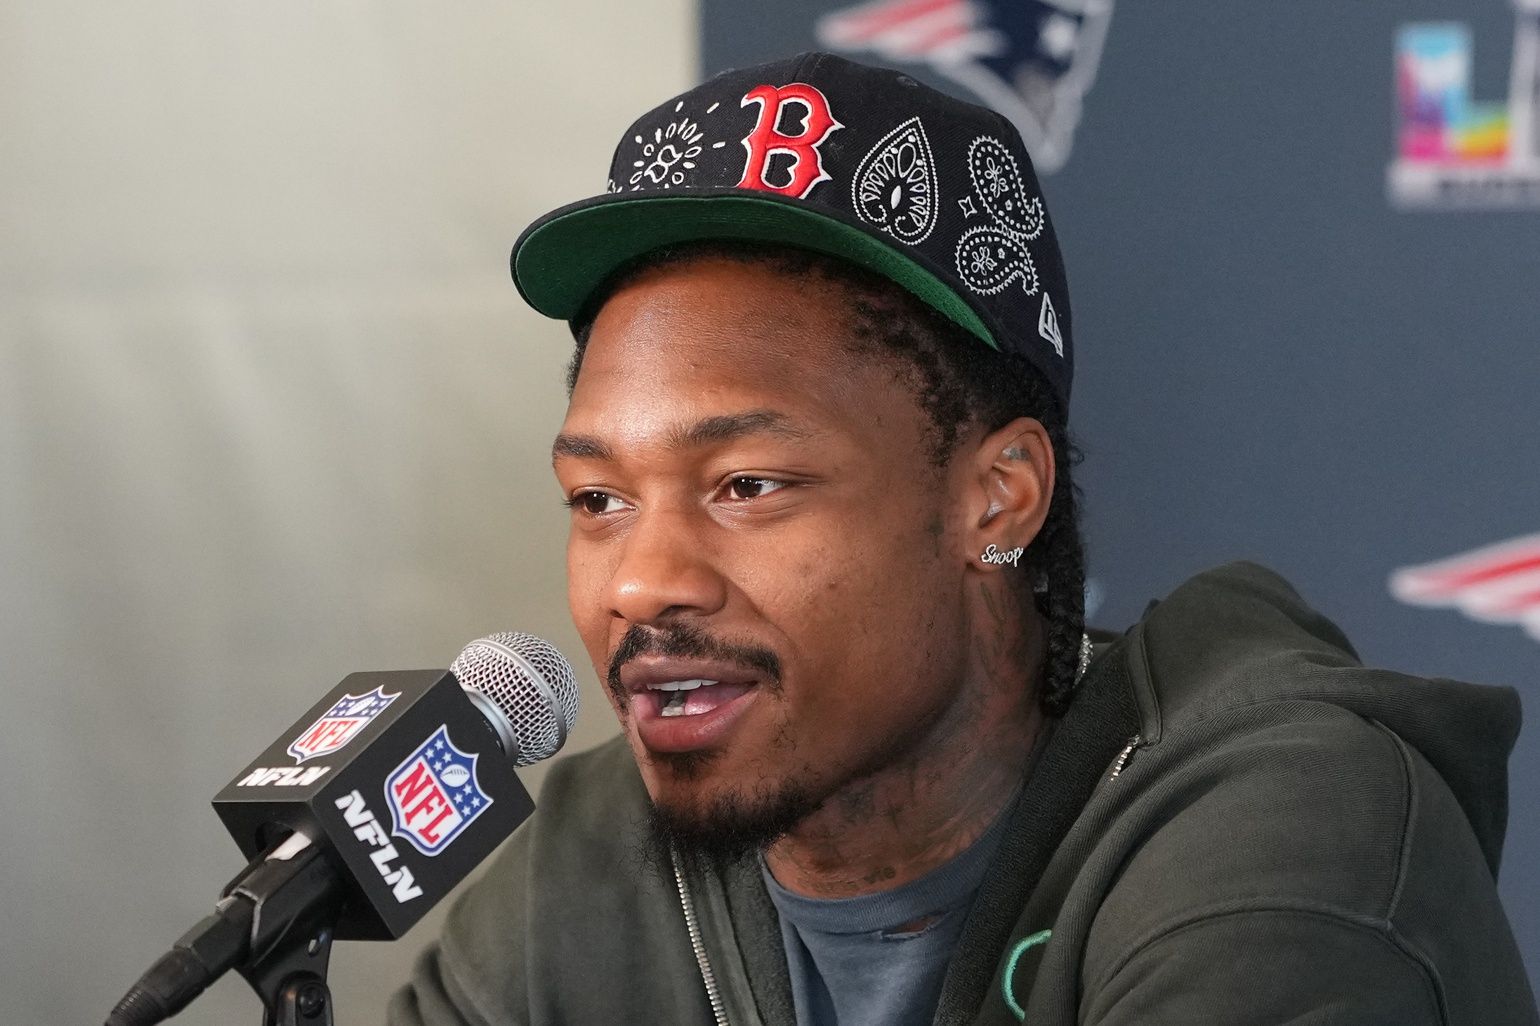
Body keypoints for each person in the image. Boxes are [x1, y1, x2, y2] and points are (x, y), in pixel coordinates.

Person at [389, 53, 1538, 1025]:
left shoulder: (1281, 840)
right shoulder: (583, 874)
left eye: (746, 484)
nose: (642, 582)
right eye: (597, 500)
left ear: (997, 497)